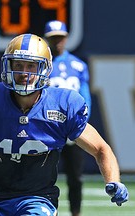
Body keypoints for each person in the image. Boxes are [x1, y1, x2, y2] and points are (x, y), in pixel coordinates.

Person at [0, 33, 129, 215]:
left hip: (36, 197)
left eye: (31, 66)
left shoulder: (63, 104)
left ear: (44, 69)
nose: (24, 72)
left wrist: (114, 180)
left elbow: (100, 149)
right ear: (7, 66)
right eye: (18, 65)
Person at [43, 20, 92, 216]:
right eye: (53, 38)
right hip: (48, 130)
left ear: (66, 38)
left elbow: (85, 98)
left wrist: (81, 124)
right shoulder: (41, 64)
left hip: (71, 129)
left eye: (60, 38)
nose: (57, 42)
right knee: (42, 175)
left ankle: (75, 212)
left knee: (75, 176)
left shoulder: (78, 66)